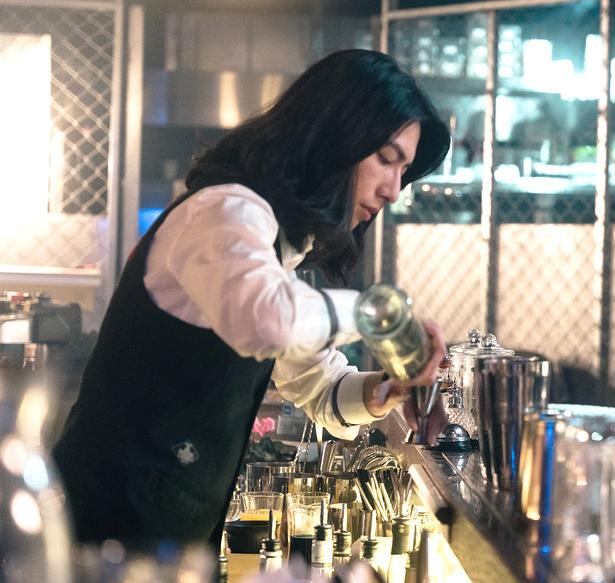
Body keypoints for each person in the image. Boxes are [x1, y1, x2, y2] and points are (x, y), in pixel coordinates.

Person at [52, 49, 452, 549]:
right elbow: (267, 321)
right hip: (105, 530)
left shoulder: (273, 246)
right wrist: (380, 315)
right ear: (331, 138)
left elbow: (319, 386)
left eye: (403, 171)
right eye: (386, 160)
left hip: (165, 535)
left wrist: (384, 391)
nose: (393, 190)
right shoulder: (224, 211)